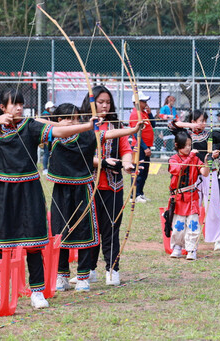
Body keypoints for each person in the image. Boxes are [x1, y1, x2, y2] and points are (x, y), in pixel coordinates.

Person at [0, 88, 96, 309]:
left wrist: (87, 126)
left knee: (34, 242)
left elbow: (60, 133)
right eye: (13, 104)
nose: (18, 108)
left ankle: (37, 291)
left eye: (21, 104)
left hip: (30, 191)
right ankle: (1, 290)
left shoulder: (31, 126)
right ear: (3, 107)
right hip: (5, 192)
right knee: (4, 242)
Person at [48, 103, 143, 293]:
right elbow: (38, 123)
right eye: (69, 119)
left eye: (77, 119)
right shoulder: (51, 134)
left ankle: (83, 276)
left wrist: (133, 129)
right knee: (60, 232)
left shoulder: (86, 135)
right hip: (61, 191)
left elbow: (107, 134)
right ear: (58, 121)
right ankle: (61, 275)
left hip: (83, 189)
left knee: (84, 231)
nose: (74, 123)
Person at [77, 85, 133, 287]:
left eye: (107, 102)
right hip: (88, 186)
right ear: (90, 103)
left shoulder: (116, 125)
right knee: (89, 230)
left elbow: (126, 149)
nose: (104, 106)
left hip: (112, 187)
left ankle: (112, 269)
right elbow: (79, 154)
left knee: (110, 228)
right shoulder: (82, 125)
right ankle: (89, 270)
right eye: (100, 102)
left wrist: (127, 164)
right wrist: (101, 162)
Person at [170, 109, 220, 250]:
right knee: (187, 210)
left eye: (205, 121)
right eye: (201, 121)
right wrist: (190, 126)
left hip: (209, 173)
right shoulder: (184, 136)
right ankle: (183, 243)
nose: (204, 123)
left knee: (213, 207)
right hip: (190, 177)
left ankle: (217, 239)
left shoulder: (210, 135)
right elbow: (172, 124)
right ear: (193, 122)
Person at [167, 130, 210, 260]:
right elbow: (178, 169)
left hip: (192, 197)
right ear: (177, 145)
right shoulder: (173, 159)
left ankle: (191, 249)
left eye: (190, 144)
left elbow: (205, 173)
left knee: (193, 224)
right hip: (179, 198)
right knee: (178, 225)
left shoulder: (196, 159)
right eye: (185, 145)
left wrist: (208, 161)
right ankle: (177, 247)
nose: (188, 147)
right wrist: (191, 157)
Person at [129, 91, 155, 203]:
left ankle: (140, 193)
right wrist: (144, 147)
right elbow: (135, 133)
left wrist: (150, 114)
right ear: (137, 102)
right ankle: (134, 195)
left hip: (146, 146)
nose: (146, 104)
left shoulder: (144, 113)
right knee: (138, 171)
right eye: (143, 101)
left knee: (144, 172)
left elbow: (153, 125)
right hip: (139, 146)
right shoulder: (135, 114)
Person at [40, 101, 54, 175]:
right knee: (46, 153)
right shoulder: (45, 116)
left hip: (50, 137)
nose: (52, 109)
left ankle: (48, 168)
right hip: (47, 138)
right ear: (48, 108)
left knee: (48, 153)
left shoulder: (49, 116)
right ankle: (45, 169)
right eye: (51, 108)